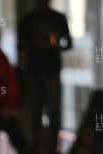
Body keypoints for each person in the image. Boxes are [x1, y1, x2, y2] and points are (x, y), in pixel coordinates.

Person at [18, 0, 72, 146]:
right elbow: (20, 44)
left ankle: (54, 149)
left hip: (51, 70)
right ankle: (37, 149)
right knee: (35, 113)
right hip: (34, 71)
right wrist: (36, 45)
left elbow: (69, 43)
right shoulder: (28, 19)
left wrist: (54, 46)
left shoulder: (58, 18)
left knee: (54, 113)